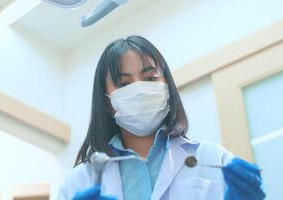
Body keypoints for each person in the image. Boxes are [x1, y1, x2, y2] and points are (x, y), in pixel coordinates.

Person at [58, 35, 265, 200]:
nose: (139, 89)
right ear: (107, 103)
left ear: (167, 87)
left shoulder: (212, 158)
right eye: (124, 85)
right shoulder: (80, 182)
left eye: (150, 78)